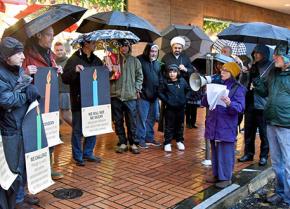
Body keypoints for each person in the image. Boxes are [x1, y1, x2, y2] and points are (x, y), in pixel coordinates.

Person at [0, 37, 40, 209]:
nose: (23, 57)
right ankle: (15, 201)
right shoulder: (1, 72)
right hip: (10, 128)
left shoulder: (17, 70)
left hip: (22, 125)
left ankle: (20, 195)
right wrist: (26, 95)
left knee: (23, 163)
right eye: (18, 54)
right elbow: (6, 99)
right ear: (7, 56)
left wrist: (30, 86)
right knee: (12, 168)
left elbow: (23, 86)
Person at [253, 43, 290, 206]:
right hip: (271, 121)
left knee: (289, 163)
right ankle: (281, 192)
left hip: (286, 124)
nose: (274, 57)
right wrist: (257, 81)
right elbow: (264, 92)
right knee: (276, 162)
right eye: (275, 54)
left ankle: (288, 197)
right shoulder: (273, 73)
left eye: (278, 55)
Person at [203, 62, 246, 189]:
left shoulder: (238, 88)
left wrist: (229, 103)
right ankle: (217, 175)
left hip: (226, 125)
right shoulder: (216, 85)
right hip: (213, 123)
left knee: (225, 152)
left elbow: (240, 108)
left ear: (232, 74)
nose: (222, 72)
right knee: (215, 151)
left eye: (226, 71)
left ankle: (226, 178)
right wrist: (206, 94)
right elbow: (204, 103)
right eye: (222, 70)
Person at [62, 37, 103, 166]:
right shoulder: (74, 59)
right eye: (93, 42)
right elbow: (65, 78)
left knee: (93, 127)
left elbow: (102, 78)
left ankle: (88, 153)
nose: (95, 44)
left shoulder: (97, 60)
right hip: (79, 100)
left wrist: (108, 69)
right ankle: (78, 156)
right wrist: (74, 70)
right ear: (86, 44)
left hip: (94, 99)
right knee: (78, 130)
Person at [238, 45, 271, 166]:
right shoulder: (252, 66)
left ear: (265, 54)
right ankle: (248, 153)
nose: (256, 55)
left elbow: (269, 87)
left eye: (259, 53)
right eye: (255, 53)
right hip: (250, 102)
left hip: (262, 105)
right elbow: (243, 84)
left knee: (263, 132)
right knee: (249, 130)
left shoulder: (270, 68)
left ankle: (263, 156)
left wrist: (258, 84)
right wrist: (245, 74)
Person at [111, 40, 143, 154]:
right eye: (121, 45)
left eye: (125, 46)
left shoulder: (135, 61)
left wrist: (136, 88)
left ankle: (133, 143)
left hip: (130, 96)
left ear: (129, 47)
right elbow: (106, 75)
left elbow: (140, 76)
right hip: (116, 95)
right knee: (118, 121)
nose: (123, 48)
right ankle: (123, 142)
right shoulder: (112, 60)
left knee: (132, 121)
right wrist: (110, 69)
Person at [159, 36, 194, 132]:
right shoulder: (166, 57)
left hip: (181, 88)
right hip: (168, 87)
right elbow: (161, 72)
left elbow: (191, 70)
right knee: (168, 112)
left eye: (179, 48)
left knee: (180, 112)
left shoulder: (185, 58)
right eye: (175, 48)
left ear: (182, 48)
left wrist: (185, 69)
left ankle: (177, 133)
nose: (177, 50)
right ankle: (168, 132)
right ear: (172, 47)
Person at [158, 64, 190, 152]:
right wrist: (167, 100)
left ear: (178, 72)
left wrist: (185, 99)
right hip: (170, 108)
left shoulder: (182, 81)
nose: (172, 74)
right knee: (169, 126)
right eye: (170, 72)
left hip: (181, 108)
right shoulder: (165, 82)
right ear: (167, 73)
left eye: (174, 72)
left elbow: (188, 90)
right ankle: (167, 143)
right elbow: (160, 92)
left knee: (180, 125)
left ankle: (179, 141)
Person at [136, 43, 161, 149]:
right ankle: (140, 139)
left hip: (154, 96)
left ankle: (149, 138)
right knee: (141, 118)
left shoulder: (158, 64)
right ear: (147, 51)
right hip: (143, 95)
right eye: (152, 51)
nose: (153, 53)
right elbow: (136, 76)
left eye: (155, 51)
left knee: (152, 118)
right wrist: (137, 89)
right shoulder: (139, 60)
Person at [53, 41, 72, 127]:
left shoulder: (69, 61)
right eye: (57, 50)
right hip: (55, 91)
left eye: (61, 50)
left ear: (64, 50)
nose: (59, 52)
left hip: (65, 91)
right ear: (54, 51)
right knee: (54, 115)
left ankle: (79, 131)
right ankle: (56, 132)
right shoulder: (53, 62)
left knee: (65, 115)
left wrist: (62, 72)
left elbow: (72, 75)